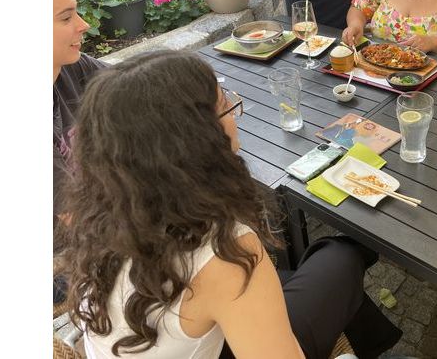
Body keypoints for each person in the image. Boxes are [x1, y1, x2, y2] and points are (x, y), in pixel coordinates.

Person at [58, 51, 401, 359]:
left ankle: (371, 336)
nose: (234, 115)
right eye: (226, 104)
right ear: (197, 138)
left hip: (156, 335)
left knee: (319, 268)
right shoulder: (226, 251)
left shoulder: (97, 211)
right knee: (342, 254)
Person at [53, 0, 106, 228]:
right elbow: (76, 221)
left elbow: (134, 87)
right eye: (66, 18)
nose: (84, 25)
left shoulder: (72, 68)